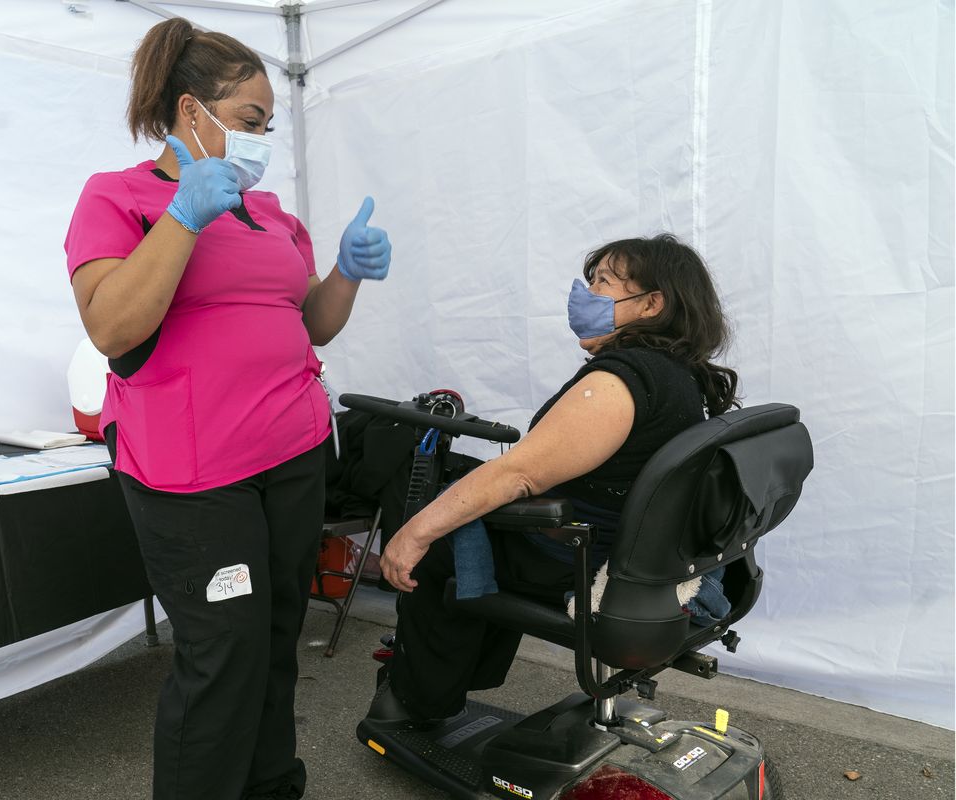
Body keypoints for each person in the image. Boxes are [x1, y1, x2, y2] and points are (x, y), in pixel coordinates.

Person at [63, 18, 392, 800]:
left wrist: (344, 272)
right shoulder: (118, 198)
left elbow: (308, 323)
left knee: (279, 633)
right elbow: (112, 326)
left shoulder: (270, 212)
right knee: (223, 652)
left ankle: (273, 784)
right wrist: (182, 217)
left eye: (267, 125)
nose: (261, 139)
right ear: (189, 112)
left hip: (293, 455)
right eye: (249, 122)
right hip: (195, 476)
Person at [371, 233, 738, 724]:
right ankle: (456, 675)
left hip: (578, 556)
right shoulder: (681, 375)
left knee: (438, 539)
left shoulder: (619, 383)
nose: (585, 293)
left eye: (603, 282)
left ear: (652, 304)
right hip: (627, 550)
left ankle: (417, 701)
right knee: (463, 492)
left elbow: (519, 474)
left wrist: (411, 535)